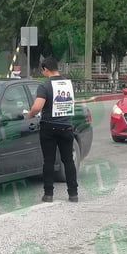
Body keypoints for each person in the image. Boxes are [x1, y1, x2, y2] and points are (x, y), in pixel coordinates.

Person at [27, 56, 78, 203]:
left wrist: (30, 114)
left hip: (49, 126)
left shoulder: (45, 86)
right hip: (66, 126)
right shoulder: (68, 84)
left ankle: (48, 194)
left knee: (48, 161)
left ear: (45, 69)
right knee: (68, 161)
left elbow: (37, 106)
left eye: (42, 70)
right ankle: (73, 193)